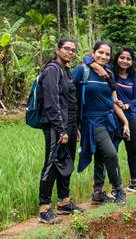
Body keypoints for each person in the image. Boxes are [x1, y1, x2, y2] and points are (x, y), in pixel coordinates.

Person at [73, 41, 129, 204]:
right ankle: (119, 190)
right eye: (100, 53)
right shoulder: (81, 71)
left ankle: (98, 192)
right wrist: (74, 124)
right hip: (91, 121)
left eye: (107, 54)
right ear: (93, 52)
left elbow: (113, 98)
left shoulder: (109, 72)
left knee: (102, 156)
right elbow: (70, 96)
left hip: (109, 119)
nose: (103, 56)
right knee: (111, 153)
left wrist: (124, 120)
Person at [38, 39, 83, 224]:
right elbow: (51, 102)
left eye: (73, 50)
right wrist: (61, 129)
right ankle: (44, 208)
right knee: (52, 163)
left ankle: (63, 202)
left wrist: (75, 128)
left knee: (67, 162)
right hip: (57, 126)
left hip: (70, 125)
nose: (70, 53)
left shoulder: (67, 71)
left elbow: (70, 102)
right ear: (57, 50)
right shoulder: (52, 70)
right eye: (66, 49)